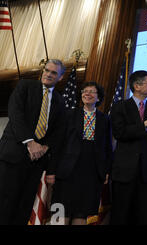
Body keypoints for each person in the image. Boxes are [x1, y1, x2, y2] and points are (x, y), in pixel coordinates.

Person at [0, 59, 66, 225]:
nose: (48, 74)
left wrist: (44, 148)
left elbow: (58, 130)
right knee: (3, 205)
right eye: (47, 70)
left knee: (23, 208)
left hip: (36, 160)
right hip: (13, 154)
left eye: (53, 73)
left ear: (60, 77)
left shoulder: (59, 100)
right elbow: (15, 114)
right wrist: (31, 143)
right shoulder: (25, 86)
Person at [51, 81, 112, 225]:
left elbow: (107, 147)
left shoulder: (105, 119)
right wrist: (51, 169)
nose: (87, 94)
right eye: (85, 91)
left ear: (98, 98)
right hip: (67, 170)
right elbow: (58, 143)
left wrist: (106, 170)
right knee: (61, 210)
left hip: (92, 171)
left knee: (82, 212)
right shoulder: (69, 114)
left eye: (92, 91)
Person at [110, 70, 147, 225]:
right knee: (120, 214)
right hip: (124, 170)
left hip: (146, 171)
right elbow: (120, 133)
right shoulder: (120, 107)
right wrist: (146, 124)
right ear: (137, 86)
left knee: (142, 214)